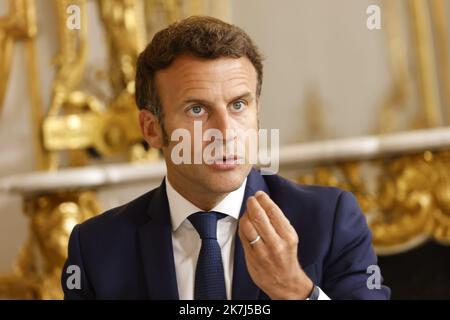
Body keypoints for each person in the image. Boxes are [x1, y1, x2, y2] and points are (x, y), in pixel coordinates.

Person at [61, 16, 390, 300]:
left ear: (257, 113)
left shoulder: (329, 220)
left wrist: (296, 291)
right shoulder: (95, 249)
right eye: (197, 109)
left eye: (238, 105)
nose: (225, 132)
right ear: (151, 129)